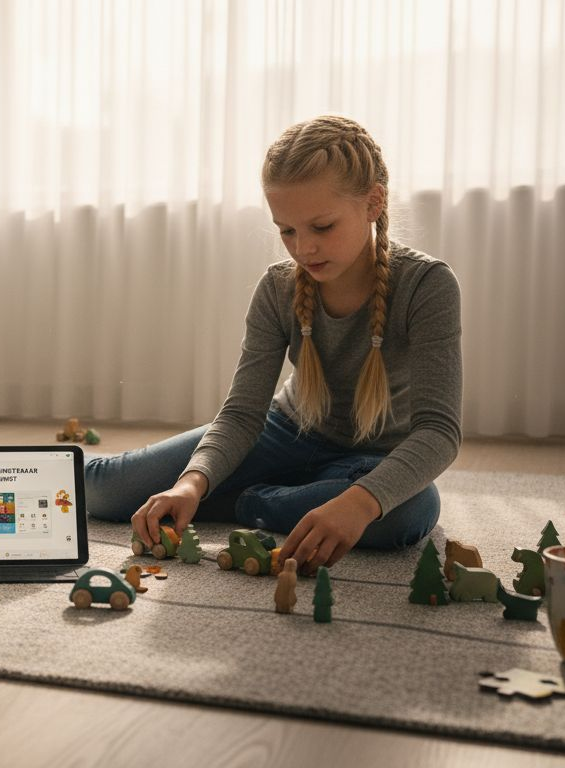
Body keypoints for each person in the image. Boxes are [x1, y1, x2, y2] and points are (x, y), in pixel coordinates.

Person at [85, 115, 461, 572]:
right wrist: (190, 483)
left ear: (373, 202)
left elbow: (438, 432)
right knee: (104, 491)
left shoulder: (428, 285)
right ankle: (263, 496)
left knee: (407, 514)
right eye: (287, 230)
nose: (303, 249)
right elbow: (243, 413)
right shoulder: (277, 287)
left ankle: (251, 502)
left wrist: (359, 503)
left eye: (321, 227)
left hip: (373, 457)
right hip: (285, 431)